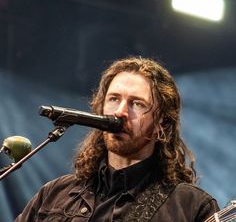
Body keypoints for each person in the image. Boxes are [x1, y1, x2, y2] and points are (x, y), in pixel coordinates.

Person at [15, 57, 219, 221]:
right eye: (114, 99)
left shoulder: (191, 207)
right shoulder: (54, 194)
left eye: (137, 104)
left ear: (162, 124)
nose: (120, 112)